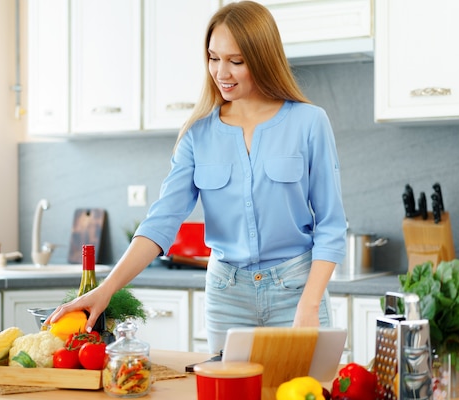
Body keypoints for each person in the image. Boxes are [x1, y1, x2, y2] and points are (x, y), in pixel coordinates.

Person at [46, 0, 346, 354]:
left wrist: (309, 305)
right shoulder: (197, 135)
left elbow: (331, 224)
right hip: (227, 296)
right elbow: (161, 222)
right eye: (213, 57)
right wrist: (106, 288)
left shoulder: (309, 122)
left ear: (263, 59)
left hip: (297, 291)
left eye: (236, 61)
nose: (222, 72)